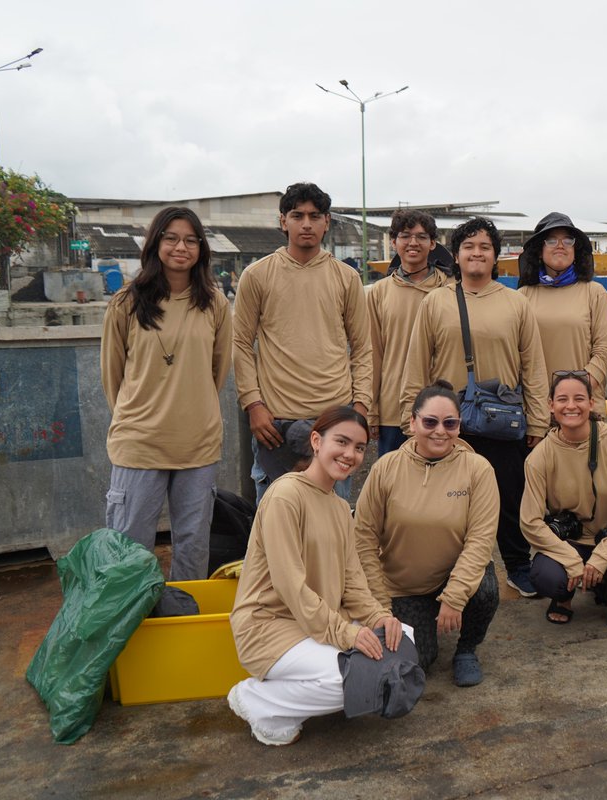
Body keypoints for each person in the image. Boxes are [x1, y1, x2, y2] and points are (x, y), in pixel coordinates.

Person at [228, 406, 404, 746]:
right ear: (316, 441)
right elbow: (289, 586)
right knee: (359, 681)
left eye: (358, 447)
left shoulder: (340, 507)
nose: (350, 454)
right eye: (341, 441)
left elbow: (353, 581)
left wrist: (379, 616)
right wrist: (346, 634)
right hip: (269, 626)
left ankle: (279, 710)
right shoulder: (284, 496)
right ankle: (255, 698)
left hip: (314, 623)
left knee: (401, 646)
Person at [401, 217, 549, 598]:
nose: (477, 253)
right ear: (456, 254)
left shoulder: (515, 303)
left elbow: (533, 364)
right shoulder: (436, 302)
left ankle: (517, 564)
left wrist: (538, 419)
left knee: (509, 497)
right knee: (447, 503)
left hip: (502, 420)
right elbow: (417, 362)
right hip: (448, 423)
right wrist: (410, 417)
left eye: (485, 246)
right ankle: (445, 572)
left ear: (496, 254)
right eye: (468, 246)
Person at [100, 206, 231, 581]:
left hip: (197, 443)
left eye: (191, 240)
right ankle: (130, 625)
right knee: (129, 546)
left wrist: (190, 404)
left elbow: (218, 370)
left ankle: (182, 616)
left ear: (201, 248)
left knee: (193, 544)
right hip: (139, 443)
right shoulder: (126, 302)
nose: (181, 247)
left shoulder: (214, 303)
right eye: (171, 238)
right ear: (155, 242)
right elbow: (113, 375)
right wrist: (137, 415)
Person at [233, 182, 372, 503]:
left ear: (327, 221)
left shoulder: (346, 278)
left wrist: (360, 408)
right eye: (297, 215)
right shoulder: (257, 275)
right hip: (275, 425)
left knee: (331, 524)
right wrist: (253, 405)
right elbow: (240, 343)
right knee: (275, 524)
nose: (306, 223)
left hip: (334, 420)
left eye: (314, 215)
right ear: (283, 221)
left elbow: (362, 347)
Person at [354, 380, 499, 686]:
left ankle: (466, 650)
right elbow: (363, 539)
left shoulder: (478, 469)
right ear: (412, 422)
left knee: (484, 588)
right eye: (430, 421)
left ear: (459, 426)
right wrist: (381, 606)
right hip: (404, 586)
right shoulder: (386, 468)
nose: (440, 431)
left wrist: (455, 597)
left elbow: (480, 541)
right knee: (418, 661)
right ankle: (427, 625)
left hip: (452, 575)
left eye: (450, 423)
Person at [521, 370, 607, 630]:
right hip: (570, 542)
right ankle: (563, 598)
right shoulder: (539, 456)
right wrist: (570, 559)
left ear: (592, 403)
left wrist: (601, 557)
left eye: (579, 398)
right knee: (543, 575)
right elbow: (530, 522)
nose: (571, 406)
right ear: (550, 405)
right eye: (562, 399)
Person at [366, 209, 453, 457]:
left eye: (421, 236)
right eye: (405, 236)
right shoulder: (379, 292)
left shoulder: (450, 289)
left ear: (433, 243)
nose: (413, 243)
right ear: (394, 242)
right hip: (392, 408)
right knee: (394, 484)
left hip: (441, 406)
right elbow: (373, 353)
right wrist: (372, 408)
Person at [517, 212, 607, 404]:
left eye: (568, 240)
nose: (560, 246)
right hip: (536, 409)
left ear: (576, 249)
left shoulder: (595, 293)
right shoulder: (522, 296)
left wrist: (574, 394)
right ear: (539, 250)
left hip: (582, 409)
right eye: (551, 241)